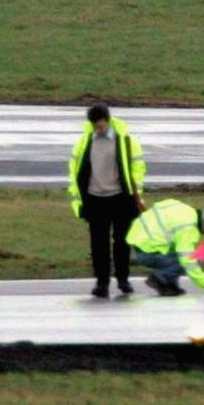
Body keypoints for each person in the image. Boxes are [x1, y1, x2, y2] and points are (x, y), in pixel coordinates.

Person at [69, 103, 148, 299]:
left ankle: (123, 279)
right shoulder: (84, 142)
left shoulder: (125, 140)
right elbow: (75, 171)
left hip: (121, 198)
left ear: (108, 120)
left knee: (122, 241)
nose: (100, 129)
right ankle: (101, 282)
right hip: (95, 199)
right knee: (98, 244)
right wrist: (80, 199)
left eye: (102, 125)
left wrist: (136, 194)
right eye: (96, 126)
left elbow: (137, 169)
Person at [128, 200, 204, 295]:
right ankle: (158, 279)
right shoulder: (189, 228)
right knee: (193, 259)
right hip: (148, 251)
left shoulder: (187, 211)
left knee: (179, 254)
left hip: (140, 238)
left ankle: (170, 285)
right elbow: (187, 261)